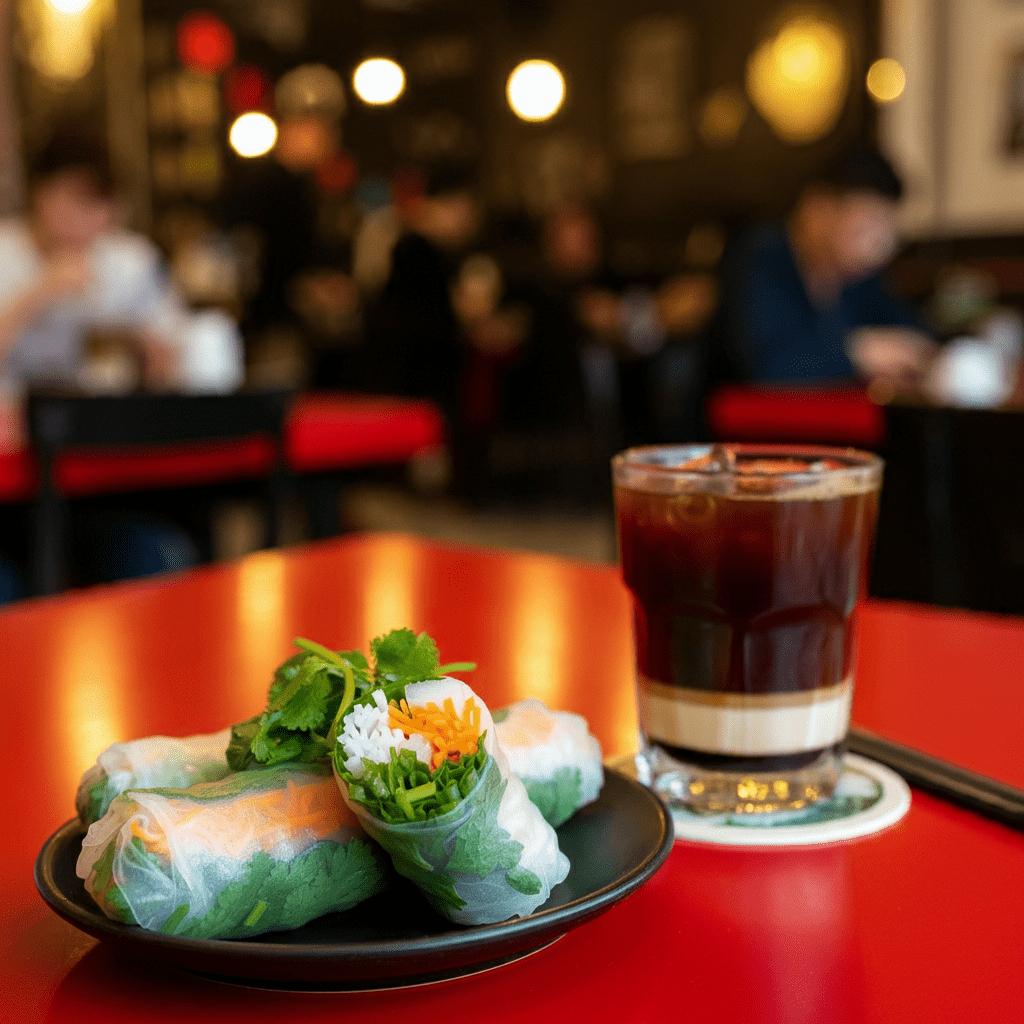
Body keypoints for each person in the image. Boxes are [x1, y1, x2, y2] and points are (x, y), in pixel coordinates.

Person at [719, 147, 934, 386]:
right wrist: (859, 351)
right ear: (816, 209)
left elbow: (912, 336)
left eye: (886, 236)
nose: (878, 251)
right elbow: (767, 365)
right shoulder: (759, 256)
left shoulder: (860, 277)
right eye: (865, 231)